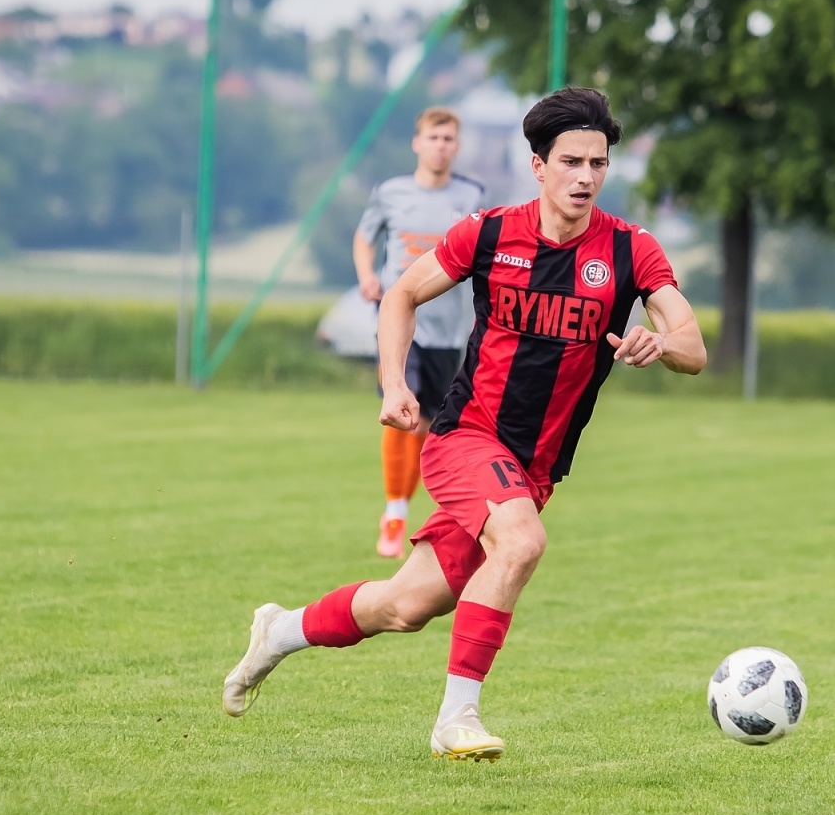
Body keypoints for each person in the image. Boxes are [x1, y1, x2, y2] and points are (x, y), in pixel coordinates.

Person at [223, 87, 708, 759]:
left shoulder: (630, 251)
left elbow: (692, 344)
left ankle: (281, 630)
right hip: (465, 440)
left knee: (405, 606)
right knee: (522, 543)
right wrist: (394, 382)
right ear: (538, 166)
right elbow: (402, 293)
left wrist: (661, 345)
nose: (586, 177)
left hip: (533, 469)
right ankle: (457, 719)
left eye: (598, 164)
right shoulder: (488, 233)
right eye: (571, 162)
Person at [352, 107, 486, 558]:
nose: (441, 145)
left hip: (449, 332)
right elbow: (364, 237)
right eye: (433, 137)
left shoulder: (470, 195)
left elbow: (481, 255)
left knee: (429, 426)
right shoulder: (391, 193)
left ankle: (419, 511)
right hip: (400, 325)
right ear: (417, 142)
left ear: (457, 146)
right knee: (397, 407)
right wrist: (367, 275)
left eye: (449, 138)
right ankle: (393, 513)